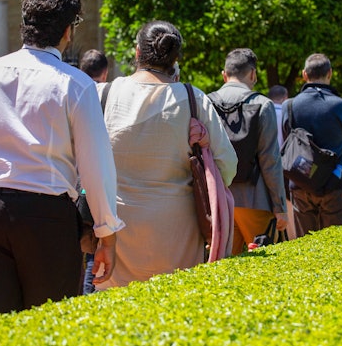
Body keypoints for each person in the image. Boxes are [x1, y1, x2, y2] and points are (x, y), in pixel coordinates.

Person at [0, 0, 124, 321]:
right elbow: (96, 166)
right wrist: (105, 234)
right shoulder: (76, 84)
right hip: (47, 216)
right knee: (49, 329)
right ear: (67, 31)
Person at [96, 21, 237, 289]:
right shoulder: (193, 98)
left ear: (137, 53)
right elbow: (227, 166)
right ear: (175, 58)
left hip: (114, 230)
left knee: (114, 320)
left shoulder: (103, 94)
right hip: (177, 231)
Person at [208, 49, 287, 255]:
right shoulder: (262, 104)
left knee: (222, 270)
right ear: (253, 74)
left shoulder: (206, 102)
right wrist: (280, 207)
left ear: (224, 75)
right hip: (255, 200)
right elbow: (270, 159)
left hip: (219, 202)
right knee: (263, 268)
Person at [282, 54, 342, 236]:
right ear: (330, 73)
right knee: (335, 245)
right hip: (333, 182)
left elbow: (290, 141)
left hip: (300, 181)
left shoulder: (290, 105)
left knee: (306, 247)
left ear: (304, 74)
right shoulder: (341, 106)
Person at [78, 48, 110, 295]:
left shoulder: (75, 89)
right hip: (96, 181)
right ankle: (91, 295)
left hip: (73, 183)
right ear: (105, 71)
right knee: (95, 245)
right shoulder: (110, 94)